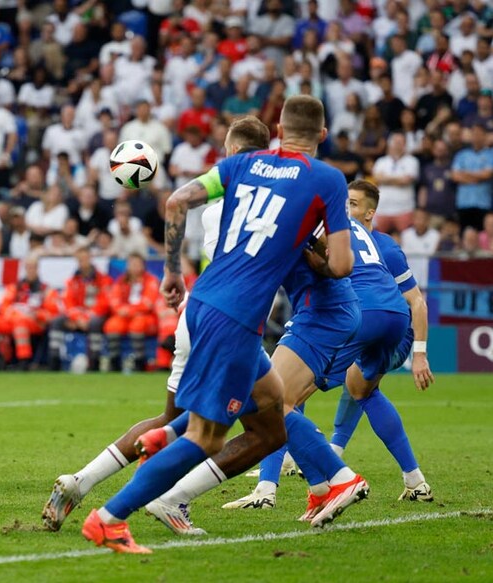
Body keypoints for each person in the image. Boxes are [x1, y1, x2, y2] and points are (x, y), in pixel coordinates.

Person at [78, 96, 355, 553]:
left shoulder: (243, 164)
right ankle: (109, 518)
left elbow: (176, 200)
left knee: (271, 420)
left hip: (205, 300)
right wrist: (314, 254)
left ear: (279, 130)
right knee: (207, 437)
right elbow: (343, 265)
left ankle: (164, 433)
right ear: (322, 136)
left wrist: (170, 271)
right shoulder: (326, 178)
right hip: (237, 317)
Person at [41, 115, 270, 532]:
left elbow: (182, 204)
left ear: (232, 152)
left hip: (200, 315)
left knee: (183, 420)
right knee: (253, 425)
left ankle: (81, 481)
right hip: (230, 323)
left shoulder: (218, 204)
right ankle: (156, 503)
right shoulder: (262, 207)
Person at [240, 181, 435, 506]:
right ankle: (415, 480)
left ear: (370, 211)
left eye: (354, 204)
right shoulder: (372, 241)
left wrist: (420, 355)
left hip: (357, 313)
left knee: (279, 394)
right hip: (392, 319)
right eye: (346, 204)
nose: (347, 210)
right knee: (362, 390)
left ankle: (275, 487)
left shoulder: (330, 228)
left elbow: (415, 300)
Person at [0, 256, 58, 368]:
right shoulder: (15, 287)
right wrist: (14, 314)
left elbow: (52, 313)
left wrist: (37, 314)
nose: (30, 270)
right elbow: (4, 307)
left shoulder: (46, 290)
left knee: (21, 322)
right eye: (28, 267)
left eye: (33, 267)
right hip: (12, 319)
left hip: (34, 322)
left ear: (37, 269)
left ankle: (23, 360)